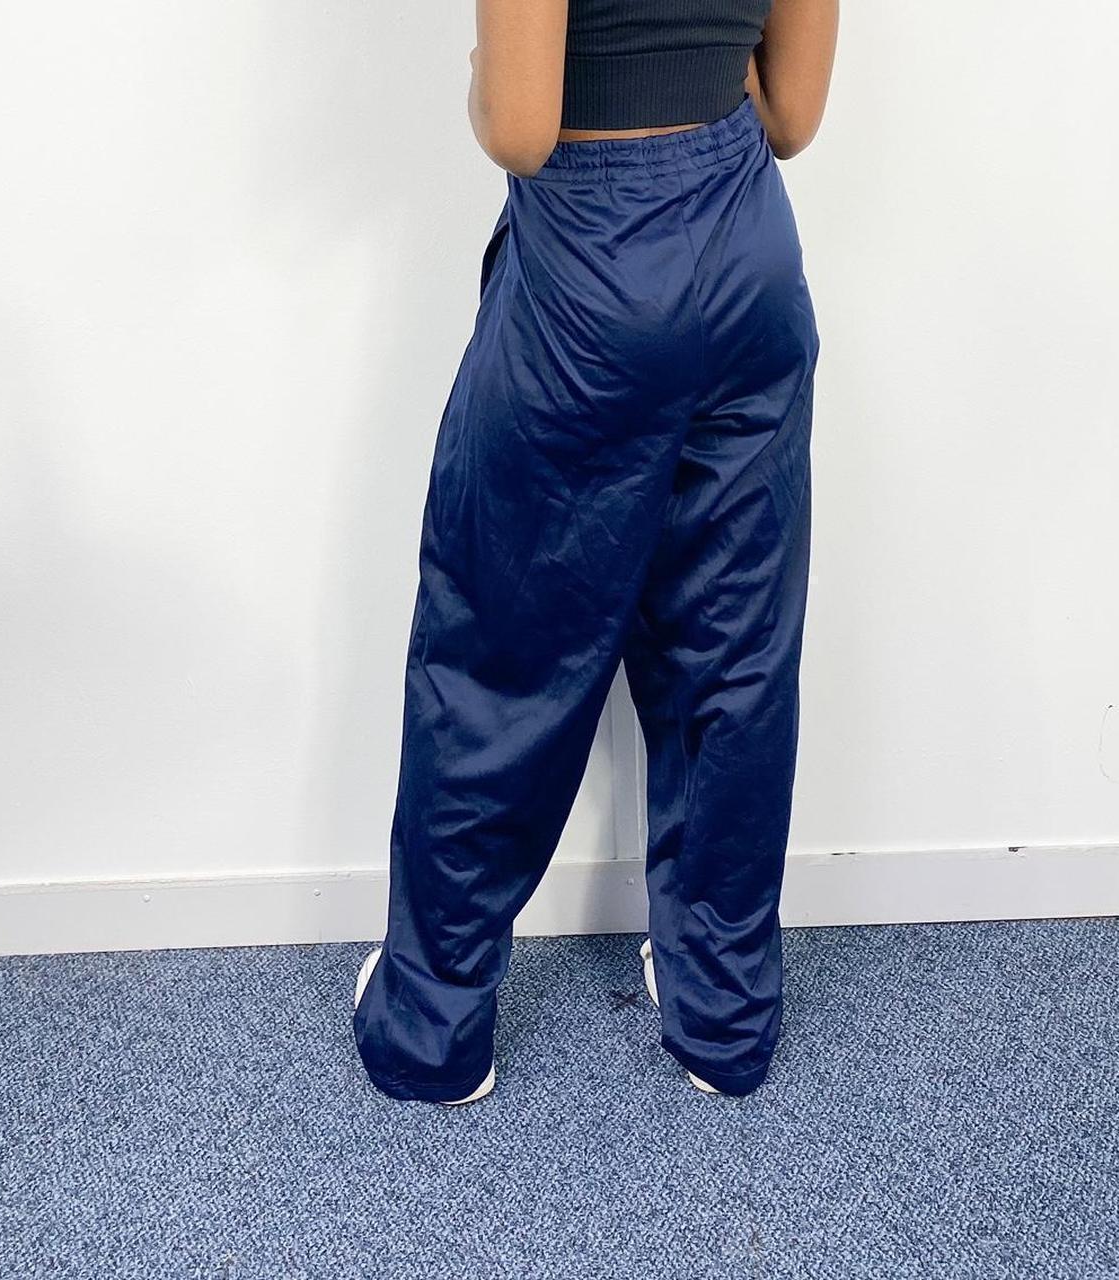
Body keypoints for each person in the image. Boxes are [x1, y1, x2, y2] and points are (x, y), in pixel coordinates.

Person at [353, 0, 839, 1104]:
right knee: (734, 654)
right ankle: (722, 1017)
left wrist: (481, 76)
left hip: (592, 265)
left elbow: (522, 128)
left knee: (501, 661)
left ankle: (433, 1029)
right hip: (750, 254)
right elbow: (792, 116)